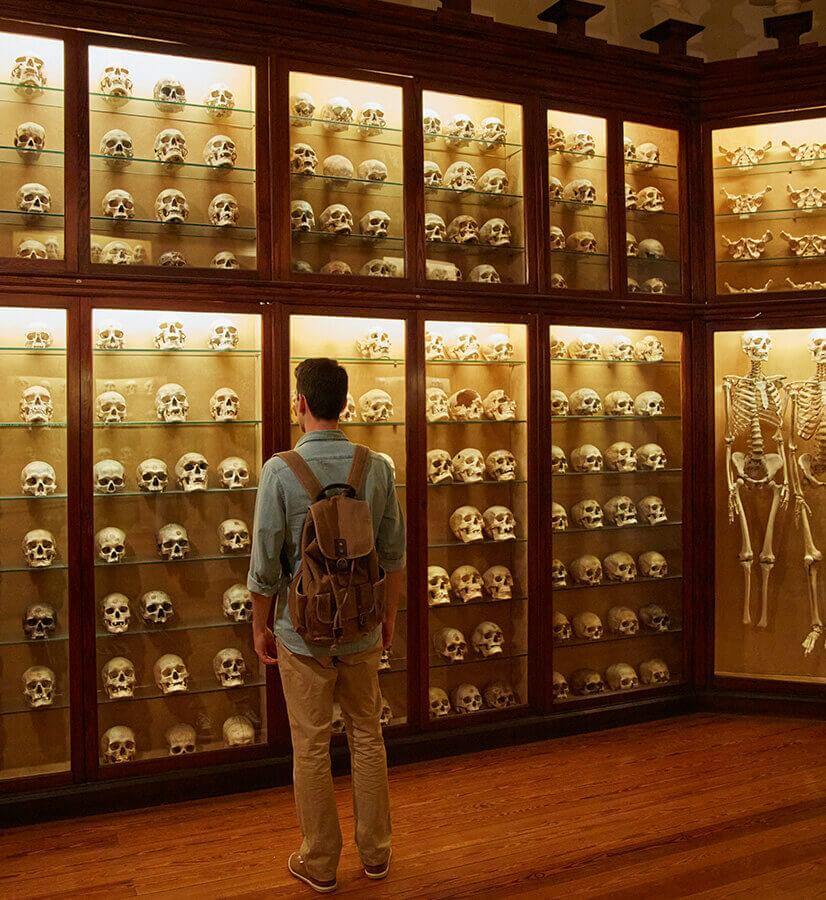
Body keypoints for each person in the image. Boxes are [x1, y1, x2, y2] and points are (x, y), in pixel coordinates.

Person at [248, 357, 405, 894]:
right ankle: (377, 854)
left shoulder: (279, 470)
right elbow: (394, 555)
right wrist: (387, 620)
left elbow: (265, 564)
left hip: (302, 633)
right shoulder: (376, 466)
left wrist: (259, 626)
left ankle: (319, 862)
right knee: (368, 736)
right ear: (344, 402)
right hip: (362, 626)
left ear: (301, 404)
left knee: (311, 746)